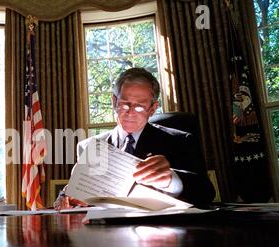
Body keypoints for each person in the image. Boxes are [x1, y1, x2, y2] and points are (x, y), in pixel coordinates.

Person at [54, 68, 215, 209]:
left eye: (139, 106)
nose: (130, 112)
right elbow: (77, 191)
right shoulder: (89, 147)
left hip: (159, 234)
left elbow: (206, 193)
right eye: (125, 104)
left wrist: (170, 180)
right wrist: (66, 197)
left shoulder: (181, 140)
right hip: (105, 235)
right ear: (114, 101)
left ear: (153, 109)